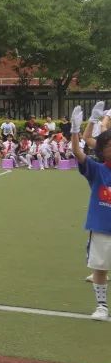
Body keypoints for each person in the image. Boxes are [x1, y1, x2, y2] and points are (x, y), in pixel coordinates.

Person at [69, 103, 111, 319]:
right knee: (100, 267)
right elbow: (78, 151)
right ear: (103, 150)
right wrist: (75, 130)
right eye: (109, 146)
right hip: (102, 228)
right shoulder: (97, 169)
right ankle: (102, 306)